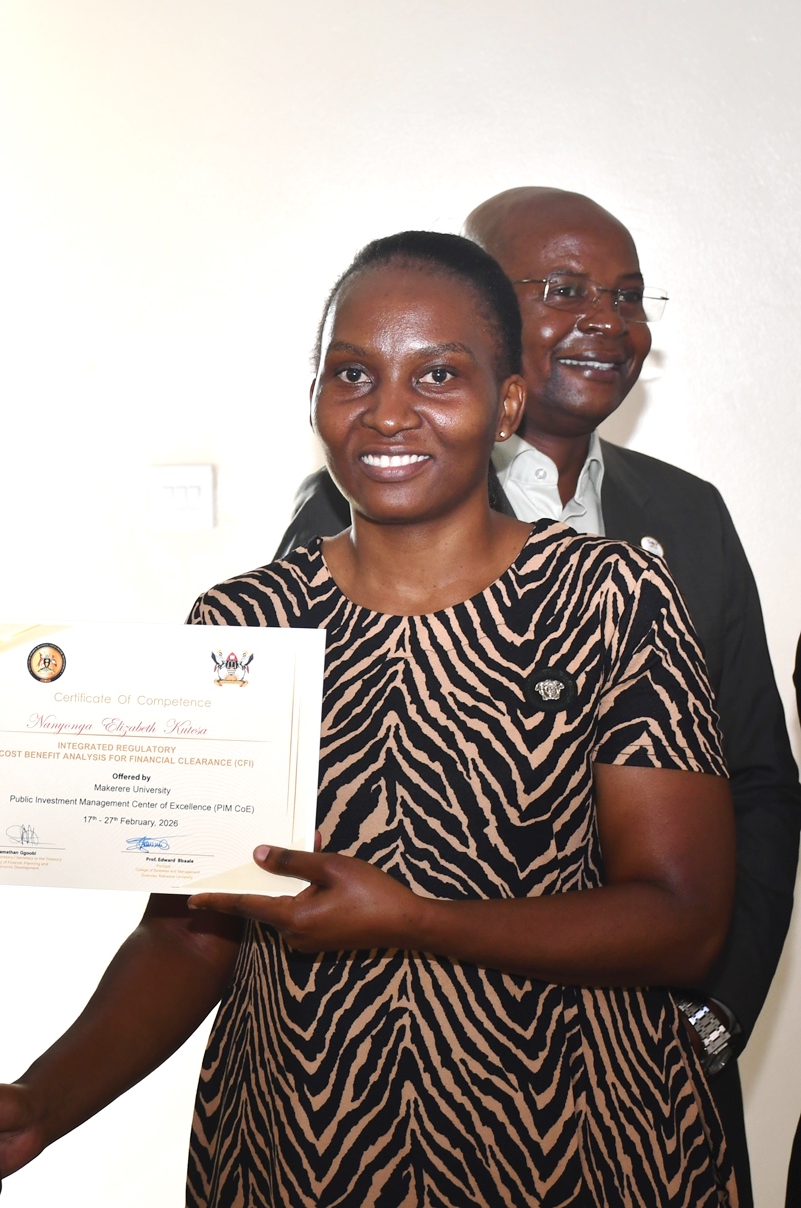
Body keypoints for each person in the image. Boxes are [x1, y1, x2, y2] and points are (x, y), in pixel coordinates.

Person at [0, 232, 739, 1207]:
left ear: (507, 402)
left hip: (571, 1145)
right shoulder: (241, 623)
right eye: (352, 372)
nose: (387, 410)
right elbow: (188, 934)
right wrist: (45, 1101)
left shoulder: (611, 595)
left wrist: (420, 922)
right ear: (315, 397)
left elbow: (680, 918)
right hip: (301, 1149)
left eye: (437, 373)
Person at [277, 188, 799, 1205]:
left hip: (648, 1078)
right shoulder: (351, 517)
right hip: (417, 1088)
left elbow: (761, 788)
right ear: (488, 321)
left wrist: (715, 1011)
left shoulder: (687, 516)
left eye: (629, 295)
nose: (608, 319)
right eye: (564, 289)